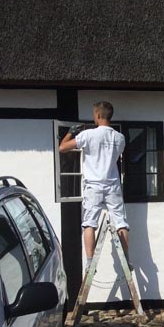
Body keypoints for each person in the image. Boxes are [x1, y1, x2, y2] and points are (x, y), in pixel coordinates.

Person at [59, 101, 130, 270]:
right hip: (112, 185)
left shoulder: (88, 135)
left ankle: (90, 262)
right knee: (121, 222)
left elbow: (62, 148)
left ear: (98, 115)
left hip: (93, 186)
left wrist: (70, 133)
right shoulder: (120, 138)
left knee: (89, 223)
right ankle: (126, 259)